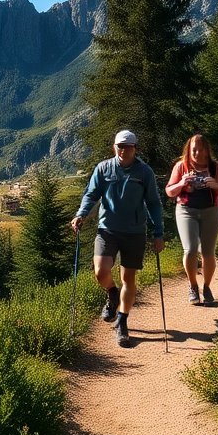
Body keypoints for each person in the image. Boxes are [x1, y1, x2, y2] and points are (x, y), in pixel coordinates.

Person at [70, 130, 165, 347]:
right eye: (120, 146)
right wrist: (81, 215)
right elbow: (91, 194)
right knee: (100, 271)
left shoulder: (144, 172)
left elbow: (153, 203)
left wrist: (158, 233)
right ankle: (113, 295)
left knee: (128, 279)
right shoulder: (104, 168)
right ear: (114, 147)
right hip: (108, 229)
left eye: (128, 147)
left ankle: (122, 320)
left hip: (134, 232)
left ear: (135, 149)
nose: (123, 150)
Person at [165, 134, 218, 306]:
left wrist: (215, 185)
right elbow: (170, 191)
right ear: (189, 149)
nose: (196, 152)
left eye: (199, 149)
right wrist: (181, 183)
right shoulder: (181, 166)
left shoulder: (216, 167)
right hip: (186, 211)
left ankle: (207, 286)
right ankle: (193, 286)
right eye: (193, 149)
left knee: (208, 252)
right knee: (190, 250)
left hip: (211, 211)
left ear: (206, 150)